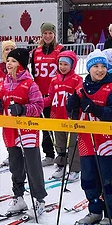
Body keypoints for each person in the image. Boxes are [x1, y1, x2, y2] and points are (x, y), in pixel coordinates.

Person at [66, 49, 112, 225]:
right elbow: (73, 114)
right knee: (89, 179)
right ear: (89, 69)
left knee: (108, 179)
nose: (100, 70)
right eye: (95, 66)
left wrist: (96, 109)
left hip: (106, 142)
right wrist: (72, 105)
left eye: (103, 66)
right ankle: (95, 211)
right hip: (86, 142)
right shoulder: (81, 89)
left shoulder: (111, 87)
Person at [0, 47, 47, 220]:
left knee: (32, 165)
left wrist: (23, 109)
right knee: (15, 165)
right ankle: (18, 197)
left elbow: (38, 106)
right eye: (8, 60)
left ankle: (39, 200)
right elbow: (1, 99)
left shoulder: (30, 84)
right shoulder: (4, 82)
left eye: (13, 61)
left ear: (22, 65)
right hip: (9, 129)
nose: (9, 64)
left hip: (27, 130)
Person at [31, 22, 64, 166]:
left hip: (56, 94)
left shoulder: (60, 50)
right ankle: (49, 154)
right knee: (45, 126)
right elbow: (33, 72)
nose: (47, 36)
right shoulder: (36, 52)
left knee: (59, 126)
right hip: (41, 95)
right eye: (45, 33)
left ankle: (63, 154)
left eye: (50, 33)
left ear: (54, 34)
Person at [48, 49, 82, 182]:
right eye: (60, 64)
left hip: (71, 117)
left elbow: (80, 94)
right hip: (57, 115)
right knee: (59, 143)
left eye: (66, 64)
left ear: (72, 65)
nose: (62, 67)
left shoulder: (77, 79)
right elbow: (50, 97)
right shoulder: (54, 80)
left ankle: (74, 169)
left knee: (72, 143)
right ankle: (61, 165)